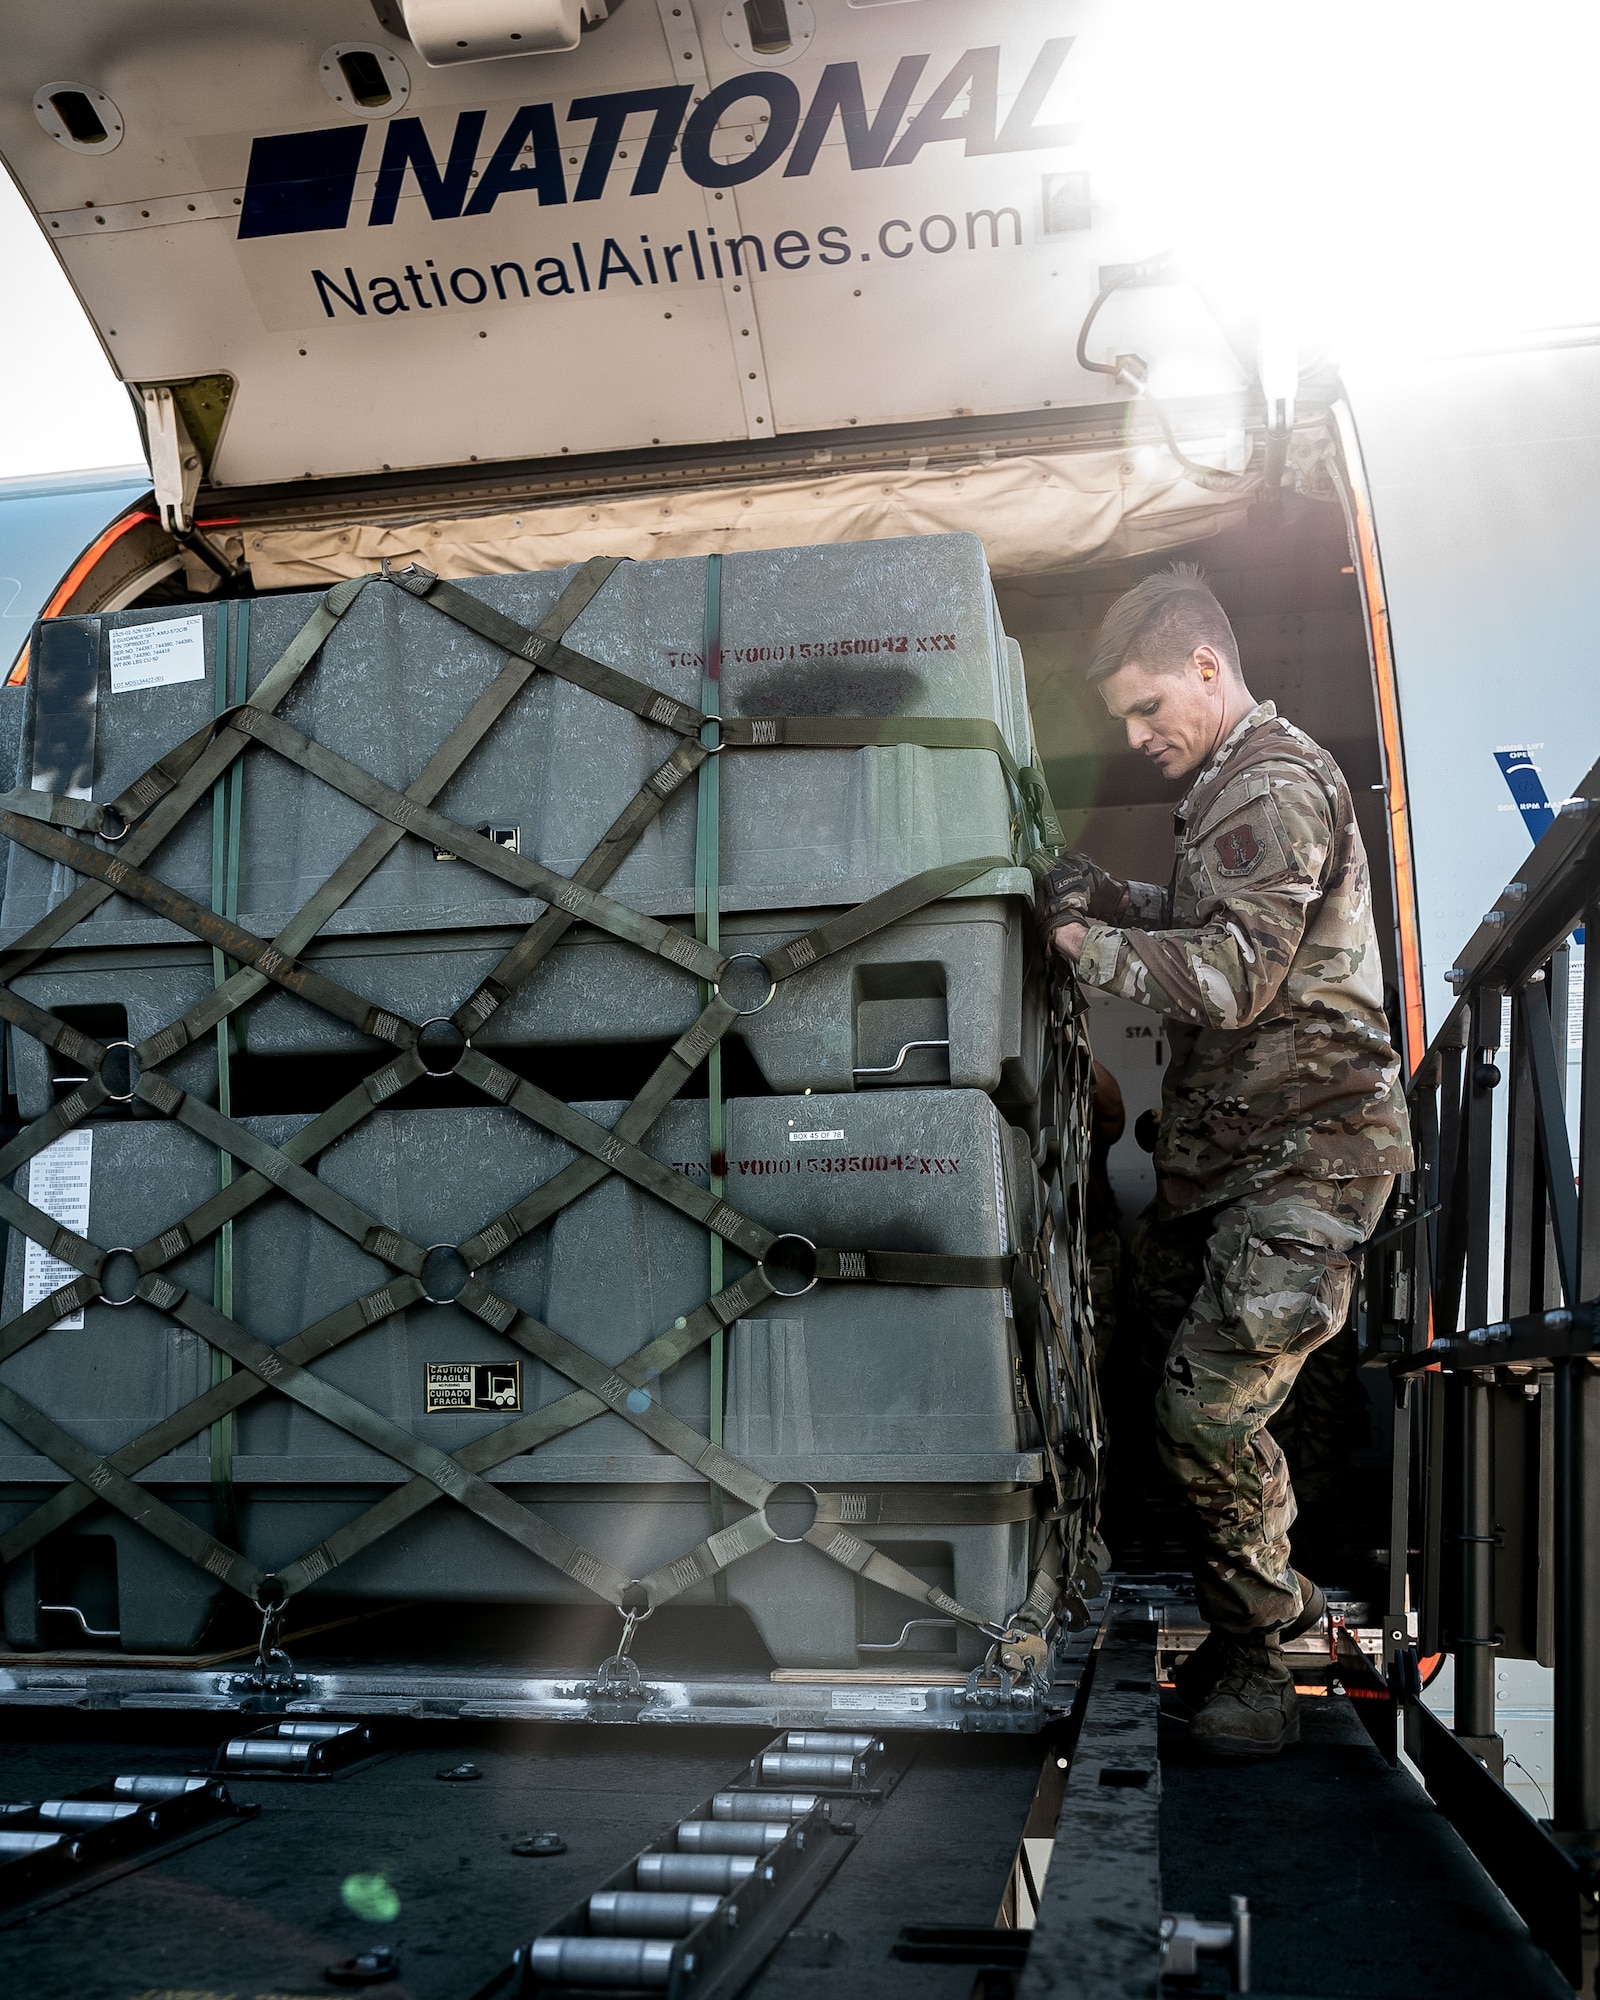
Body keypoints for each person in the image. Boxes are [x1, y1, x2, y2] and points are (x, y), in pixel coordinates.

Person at [1042, 563, 1413, 1759]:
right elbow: (1226, 923)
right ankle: (1238, 1613)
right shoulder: (1229, 790)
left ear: (1208, 665)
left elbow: (1232, 978)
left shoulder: (1271, 779)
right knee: (1153, 1365)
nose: (1138, 734)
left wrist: (1078, 938)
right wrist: (1114, 892)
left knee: (1204, 1414)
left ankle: (1265, 1642)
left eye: (1149, 706)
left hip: (1304, 1160)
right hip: (1234, 1163)